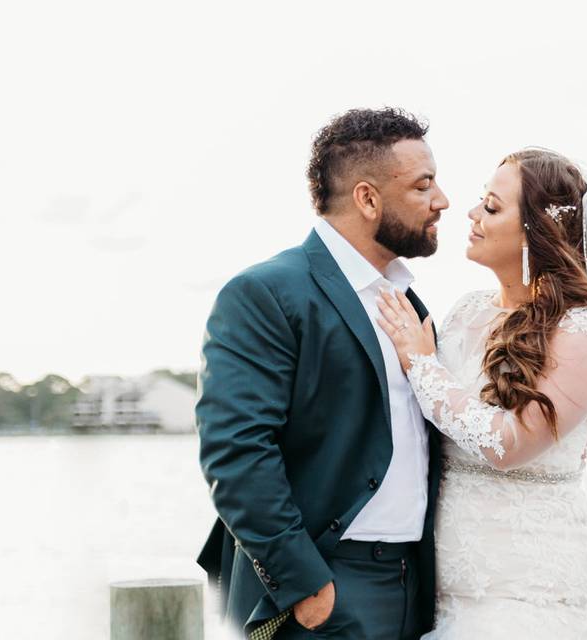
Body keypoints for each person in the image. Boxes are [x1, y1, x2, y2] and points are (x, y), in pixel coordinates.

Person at [195, 107, 449, 640]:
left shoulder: (412, 304)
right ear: (367, 198)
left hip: (414, 589)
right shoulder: (265, 293)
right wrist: (304, 585)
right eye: (424, 185)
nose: (442, 201)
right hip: (327, 588)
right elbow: (236, 450)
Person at [375, 148, 587, 639]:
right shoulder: (465, 312)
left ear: (537, 231)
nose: (470, 215)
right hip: (443, 587)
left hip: (531, 589)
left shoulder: (580, 337)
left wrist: (422, 365)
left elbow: (508, 445)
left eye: (492, 207)